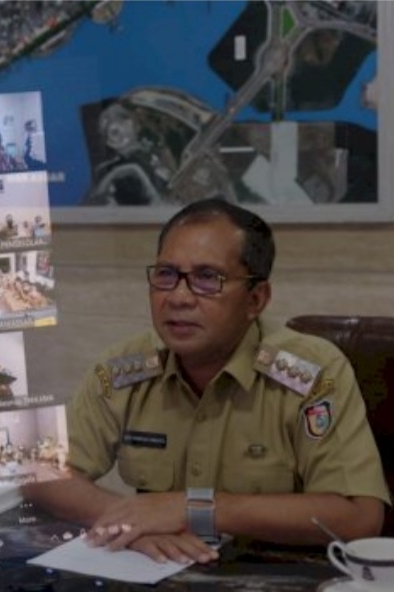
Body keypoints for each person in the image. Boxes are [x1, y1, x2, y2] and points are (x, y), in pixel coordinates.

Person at [22, 199, 389, 564]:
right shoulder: (123, 370)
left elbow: (359, 517)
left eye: (207, 278)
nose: (178, 297)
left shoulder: (312, 373)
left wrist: (193, 509)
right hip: (163, 572)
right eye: (166, 274)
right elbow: (39, 472)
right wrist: (130, 521)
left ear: (255, 300)